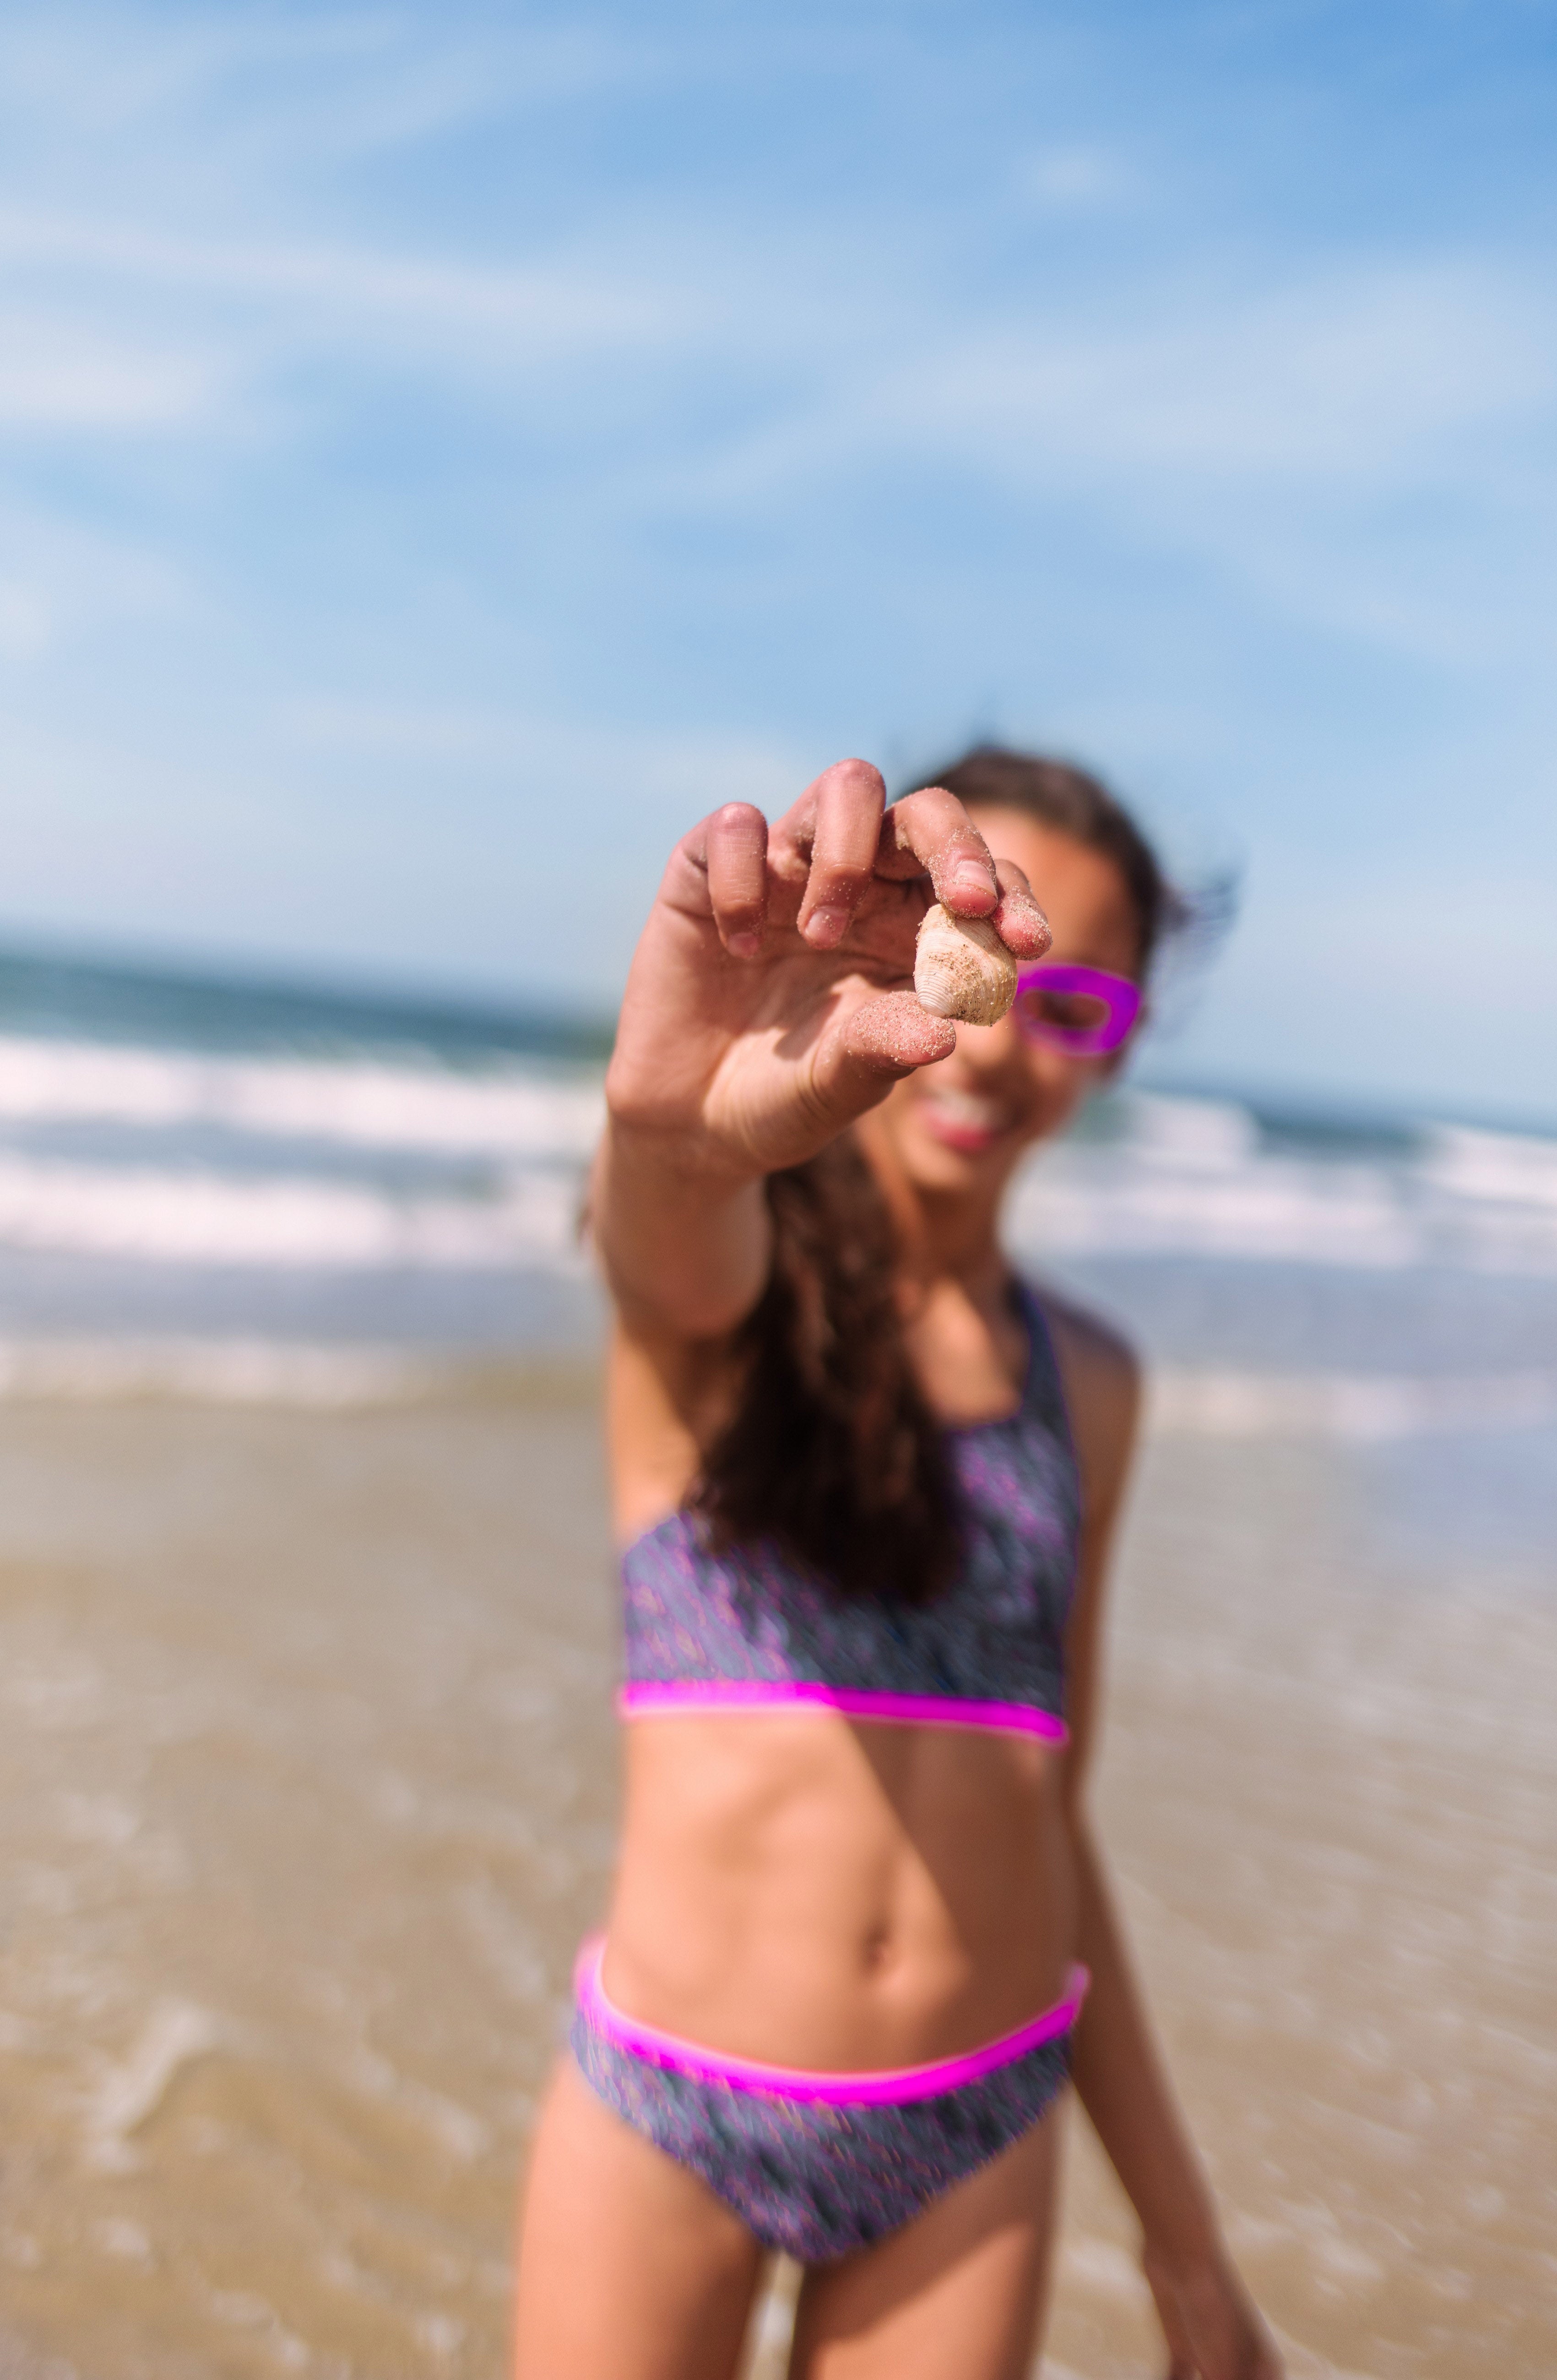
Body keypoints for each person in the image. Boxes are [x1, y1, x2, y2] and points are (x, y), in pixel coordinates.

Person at [516, 748, 1282, 2380]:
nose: (1000, 1043)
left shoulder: (1092, 1381)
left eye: (1073, 1009)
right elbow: (667, 1219)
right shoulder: (725, 1310)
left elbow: (1051, 1815)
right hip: (674, 2109)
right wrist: (665, 1130)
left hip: (974, 2139)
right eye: (986, 954)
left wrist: (1185, 2246)